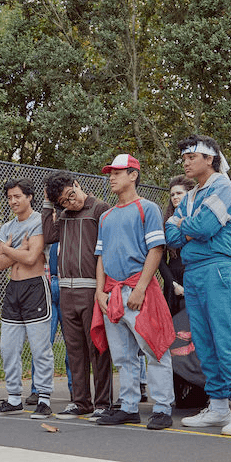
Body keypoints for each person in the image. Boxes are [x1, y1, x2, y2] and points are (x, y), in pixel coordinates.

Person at [165, 135, 231, 436]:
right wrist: (190, 227)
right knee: (204, 341)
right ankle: (218, 407)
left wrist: (186, 225)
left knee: (226, 337)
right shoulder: (191, 195)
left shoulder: (224, 187)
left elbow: (203, 227)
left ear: (210, 158)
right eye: (184, 158)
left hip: (219, 268)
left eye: (191, 157)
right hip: (194, 271)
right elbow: (171, 234)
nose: (185, 162)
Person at [92, 155, 176, 430]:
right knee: (122, 356)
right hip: (112, 295)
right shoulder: (106, 216)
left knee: (155, 349)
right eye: (110, 173)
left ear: (133, 175)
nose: (111, 177)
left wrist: (140, 289)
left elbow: (156, 249)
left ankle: (162, 408)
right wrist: (100, 292)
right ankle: (128, 407)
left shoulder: (147, 208)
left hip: (139, 291)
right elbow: (101, 256)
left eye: (117, 172)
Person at [42, 171, 113, 419]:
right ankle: (80, 401)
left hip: (92, 288)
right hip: (66, 290)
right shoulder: (63, 215)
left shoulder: (100, 209)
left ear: (77, 184)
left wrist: (103, 289)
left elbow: (108, 250)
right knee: (74, 349)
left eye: (71, 195)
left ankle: (103, 403)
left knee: (98, 347)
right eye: (63, 201)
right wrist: (48, 204)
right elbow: (49, 236)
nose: (71, 202)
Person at [0, 179, 54, 419]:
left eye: (17, 196)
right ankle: (14, 398)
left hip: (35, 287)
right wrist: (19, 250)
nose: (13, 201)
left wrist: (7, 249)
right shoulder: (6, 227)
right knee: (8, 348)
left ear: (29, 197)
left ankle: (44, 399)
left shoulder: (39, 221)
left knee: (40, 349)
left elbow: (31, 258)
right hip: (13, 289)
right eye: (9, 197)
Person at [27, 242, 72, 404]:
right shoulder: (41, 239)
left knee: (72, 344)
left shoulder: (70, 236)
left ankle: (76, 389)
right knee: (42, 343)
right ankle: (37, 389)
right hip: (45, 289)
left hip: (66, 287)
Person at [159, 175, 192, 316]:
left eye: (179, 193)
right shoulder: (166, 223)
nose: (175, 197)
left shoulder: (199, 218)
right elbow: (160, 260)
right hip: (173, 281)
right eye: (172, 194)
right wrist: (173, 284)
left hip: (195, 277)